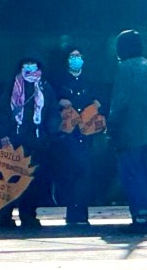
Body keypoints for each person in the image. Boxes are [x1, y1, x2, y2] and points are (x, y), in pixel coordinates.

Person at [0, 57, 60, 229]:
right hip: (13, 142)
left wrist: (47, 135)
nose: (30, 69)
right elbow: (2, 112)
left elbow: (52, 113)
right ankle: (3, 217)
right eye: (26, 66)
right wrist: (3, 134)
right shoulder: (11, 87)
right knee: (7, 181)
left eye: (33, 66)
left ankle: (28, 216)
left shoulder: (45, 88)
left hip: (35, 142)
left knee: (32, 183)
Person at [108, 30, 147, 233]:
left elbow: (119, 101)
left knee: (131, 174)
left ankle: (138, 217)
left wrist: (112, 126)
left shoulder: (125, 68)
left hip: (128, 132)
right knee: (143, 174)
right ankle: (143, 214)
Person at [53, 46, 102, 226]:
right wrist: (60, 102)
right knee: (69, 172)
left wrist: (97, 105)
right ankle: (71, 212)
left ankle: (81, 214)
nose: (76, 59)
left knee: (84, 172)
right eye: (72, 56)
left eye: (79, 56)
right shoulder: (59, 81)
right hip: (67, 135)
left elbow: (99, 101)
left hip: (86, 133)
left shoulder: (89, 80)